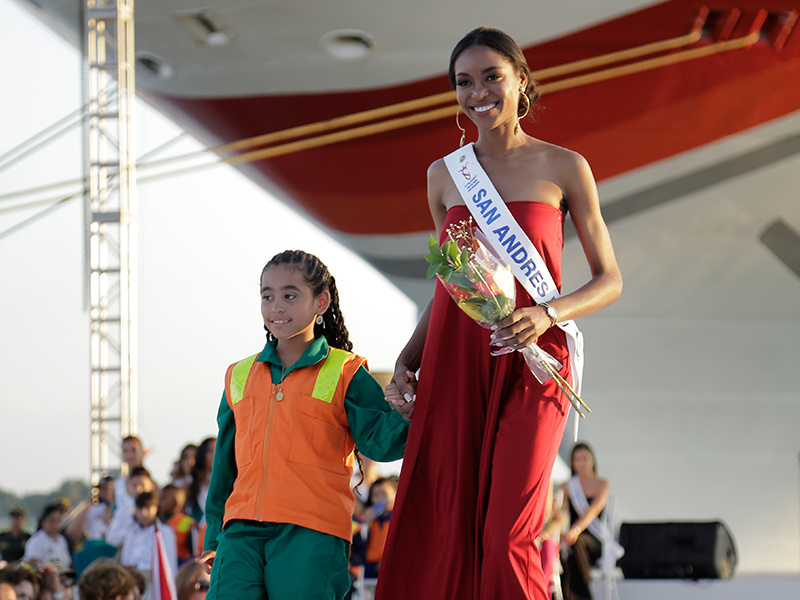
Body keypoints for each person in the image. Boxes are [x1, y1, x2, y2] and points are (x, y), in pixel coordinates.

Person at [375, 26, 622, 600]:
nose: (477, 91)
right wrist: (410, 358)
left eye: (492, 77)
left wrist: (547, 314)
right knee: (449, 528)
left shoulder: (564, 166)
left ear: (521, 81)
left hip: (537, 359)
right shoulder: (444, 176)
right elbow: (448, 285)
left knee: (509, 529)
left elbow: (610, 280)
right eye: (464, 82)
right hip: (457, 362)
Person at [197, 250, 409, 600]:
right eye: (267, 296)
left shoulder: (347, 371)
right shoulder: (238, 375)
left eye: (290, 295)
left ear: (321, 302)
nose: (276, 306)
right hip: (240, 533)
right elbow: (224, 468)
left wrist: (406, 414)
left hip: (312, 530)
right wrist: (214, 536)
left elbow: (379, 443)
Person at [559, 442, 617, 600]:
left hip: (594, 538)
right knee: (561, 548)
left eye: (585, 458)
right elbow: (561, 513)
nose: (581, 462)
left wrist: (575, 530)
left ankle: (581, 596)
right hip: (571, 537)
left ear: (592, 460)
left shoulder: (602, 484)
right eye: (576, 459)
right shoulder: (567, 487)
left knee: (578, 544)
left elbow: (593, 511)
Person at [106, 490, 178, 579]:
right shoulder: (131, 531)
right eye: (140, 509)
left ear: (156, 508)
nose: (143, 513)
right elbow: (112, 540)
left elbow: (170, 563)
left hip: (153, 578)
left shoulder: (165, 531)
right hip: (130, 575)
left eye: (147, 508)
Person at [186, 438, 215, 525]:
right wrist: (190, 523)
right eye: (210, 451)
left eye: (217, 450)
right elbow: (181, 514)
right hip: (197, 534)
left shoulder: (228, 480)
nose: (214, 454)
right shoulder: (190, 481)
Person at [114, 436, 146, 513]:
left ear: (141, 452)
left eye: (134, 450)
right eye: (125, 451)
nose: (130, 455)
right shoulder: (117, 484)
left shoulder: (149, 483)